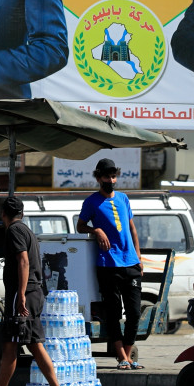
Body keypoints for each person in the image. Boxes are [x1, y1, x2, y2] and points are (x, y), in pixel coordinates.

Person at [0, 197, 66, 386]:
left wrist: (20, 294)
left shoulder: (14, 231)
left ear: (3, 214)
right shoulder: (27, 230)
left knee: (10, 345)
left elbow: (23, 260)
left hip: (23, 295)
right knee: (34, 344)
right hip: (33, 292)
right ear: (21, 213)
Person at [76, 158, 144, 369]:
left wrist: (139, 257)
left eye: (113, 176)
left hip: (130, 263)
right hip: (107, 264)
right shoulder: (91, 202)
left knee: (133, 311)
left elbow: (132, 229)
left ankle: (127, 352)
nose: (111, 180)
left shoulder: (123, 199)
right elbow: (80, 227)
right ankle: (123, 357)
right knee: (114, 312)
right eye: (106, 176)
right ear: (98, 178)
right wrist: (95, 230)